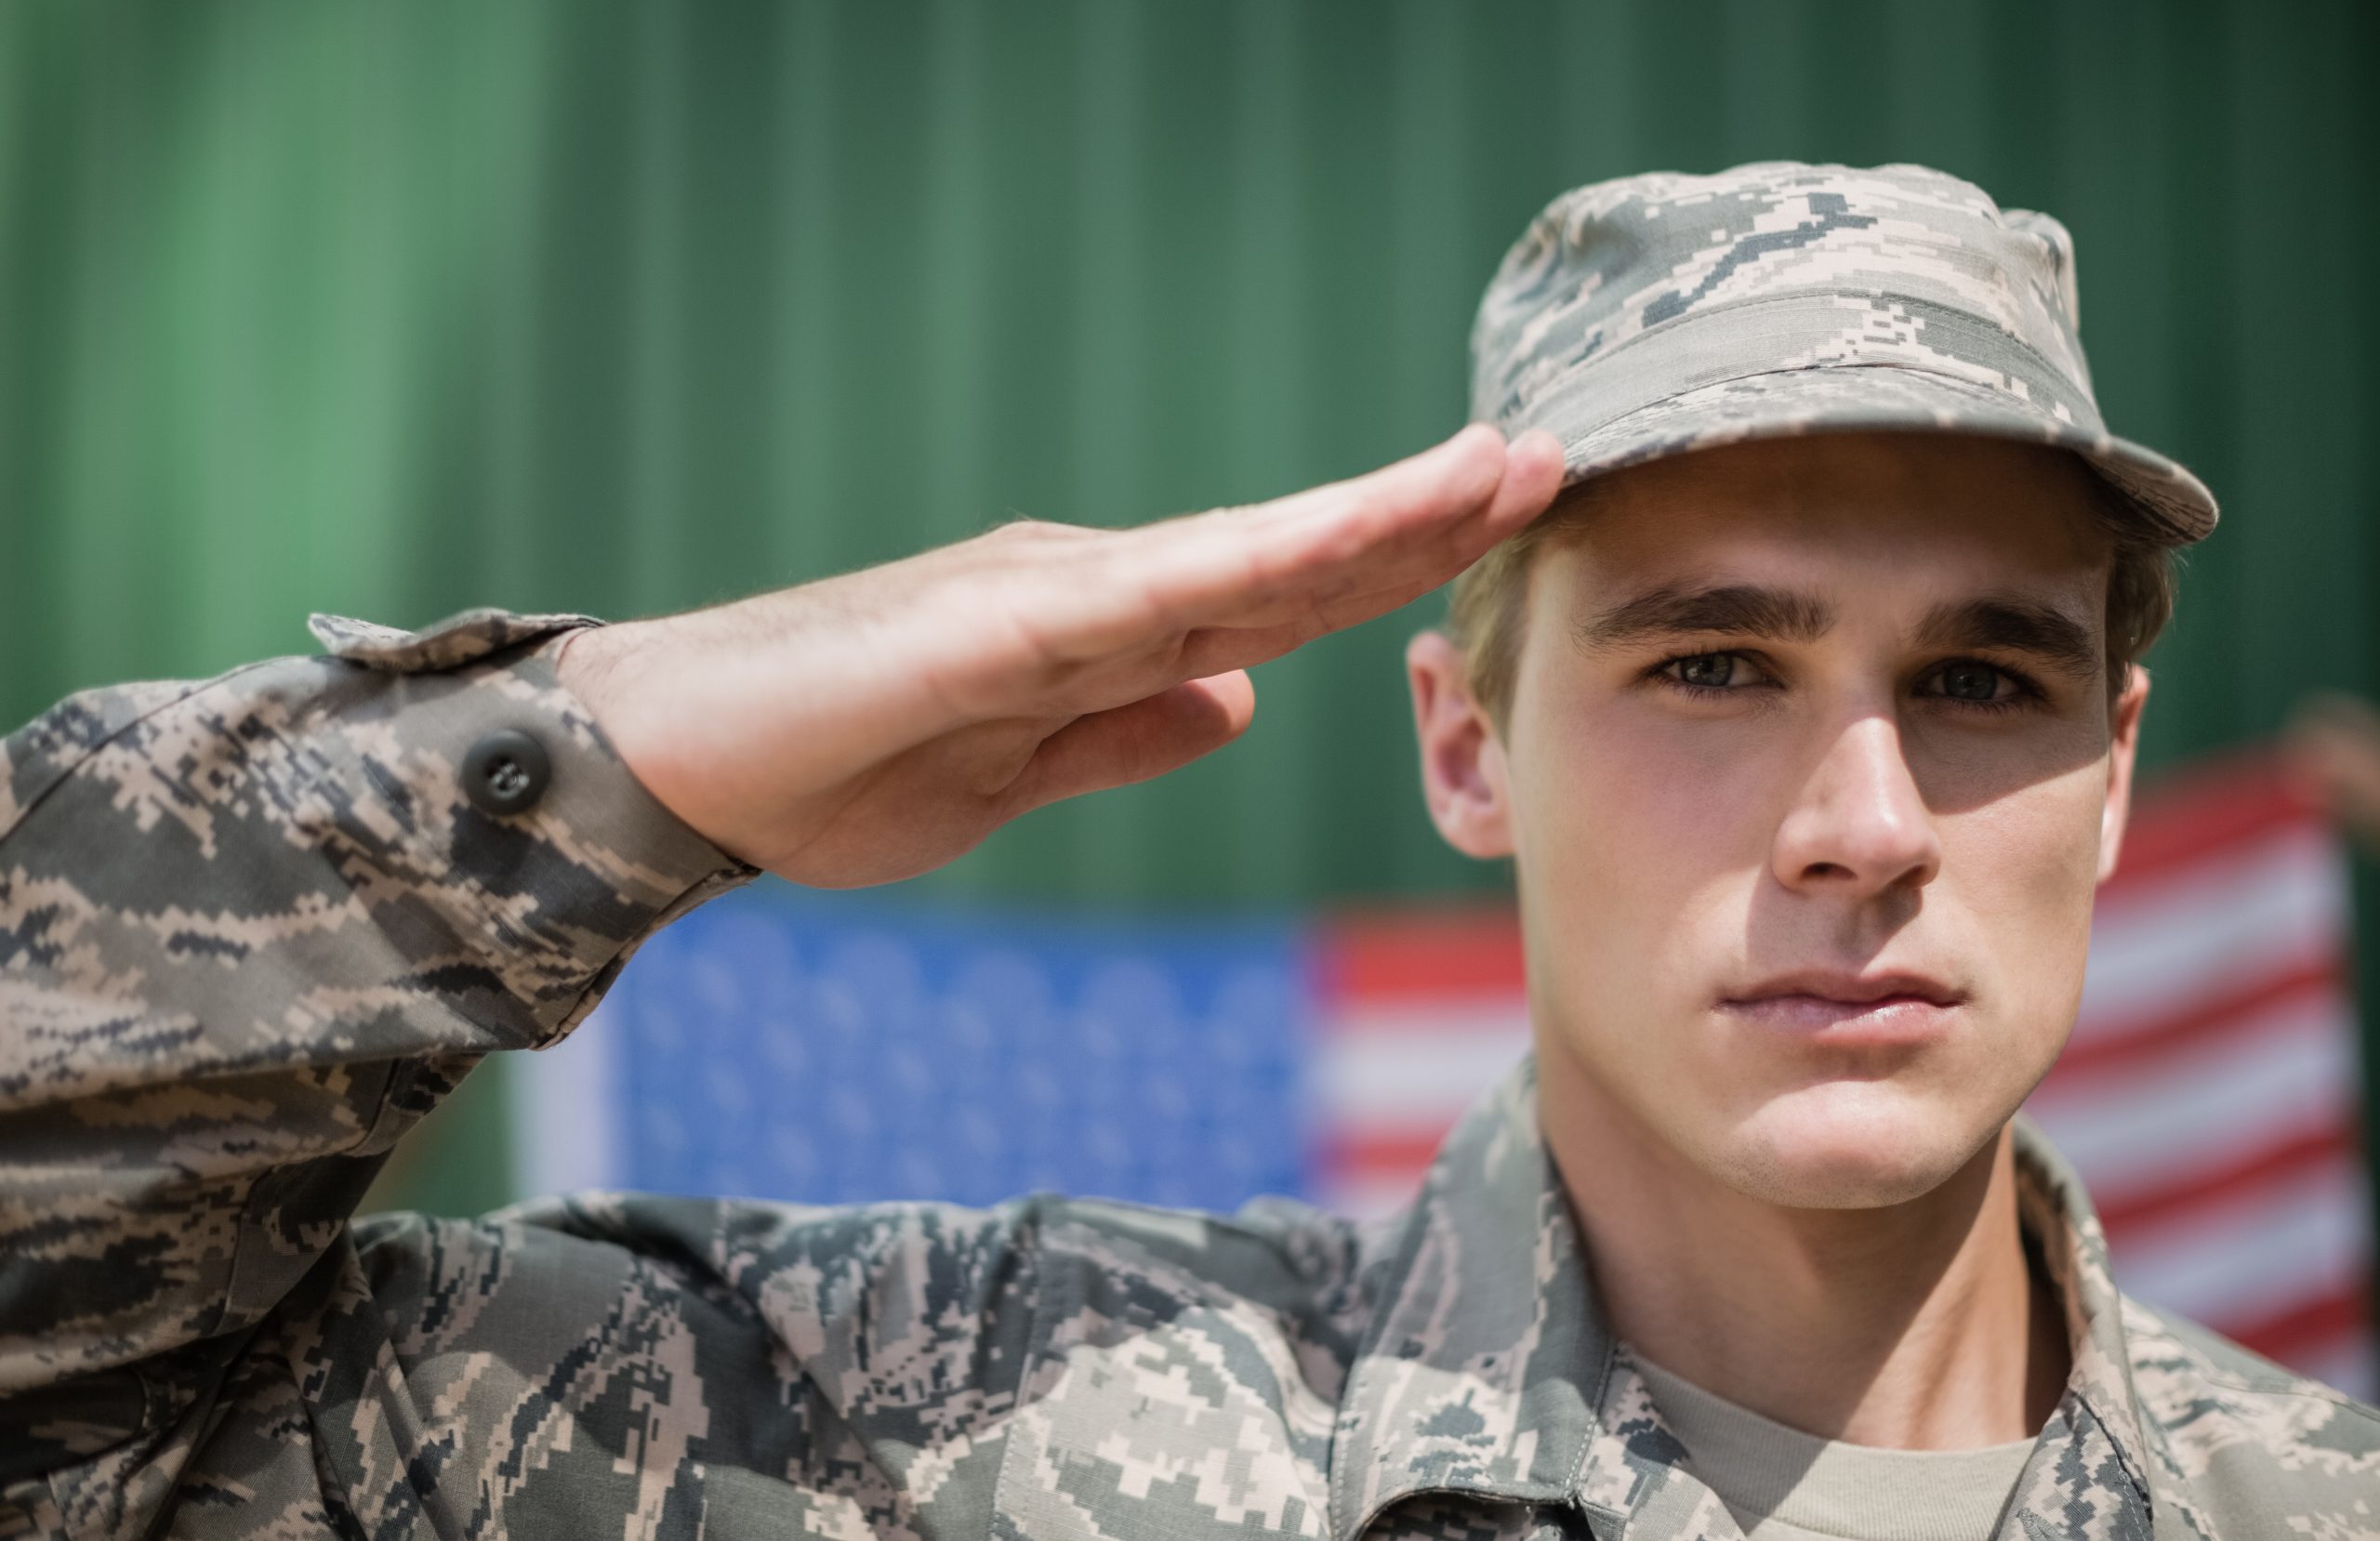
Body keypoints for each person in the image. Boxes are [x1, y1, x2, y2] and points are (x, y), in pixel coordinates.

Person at [2, 162, 2372, 1540]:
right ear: (1465, 746)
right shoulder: (938, 1428)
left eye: (1976, 682)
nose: (1861, 828)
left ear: (2113, 763)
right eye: (1708, 666)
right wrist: (612, 745)